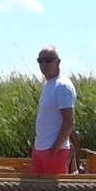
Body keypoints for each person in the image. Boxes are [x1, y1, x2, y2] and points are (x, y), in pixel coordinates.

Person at [30, 46, 76, 175]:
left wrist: (54, 150)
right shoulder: (49, 84)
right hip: (40, 148)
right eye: (40, 61)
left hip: (54, 151)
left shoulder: (62, 86)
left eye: (48, 60)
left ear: (58, 62)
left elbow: (69, 122)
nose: (44, 64)